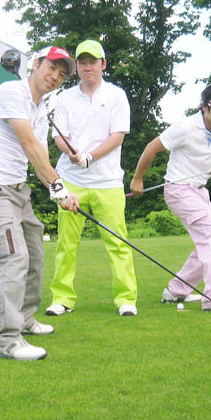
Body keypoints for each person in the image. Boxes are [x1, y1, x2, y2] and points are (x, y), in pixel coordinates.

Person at [0, 45, 80, 361]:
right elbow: (28, 143)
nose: (55, 76)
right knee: (14, 258)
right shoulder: (11, 92)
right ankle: (6, 340)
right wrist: (58, 187)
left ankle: (25, 319)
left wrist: (59, 189)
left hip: (19, 191)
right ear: (35, 64)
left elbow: (40, 156)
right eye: (51, 67)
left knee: (34, 254)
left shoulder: (41, 109)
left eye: (62, 74)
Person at [129, 83, 211, 312]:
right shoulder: (185, 127)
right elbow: (151, 147)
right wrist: (137, 179)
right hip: (178, 189)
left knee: (210, 240)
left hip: (199, 191)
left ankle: (177, 290)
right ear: (205, 106)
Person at [45, 39, 138, 317]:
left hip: (108, 181)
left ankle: (126, 299)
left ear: (103, 64)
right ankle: (62, 298)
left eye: (93, 62)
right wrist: (72, 152)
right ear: (77, 67)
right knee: (66, 244)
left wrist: (90, 157)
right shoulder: (64, 98)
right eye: (82, 62)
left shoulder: (116, 95)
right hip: (71, 180)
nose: (88, 67)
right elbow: (59, 137)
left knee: (118, 243)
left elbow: (118, 136)